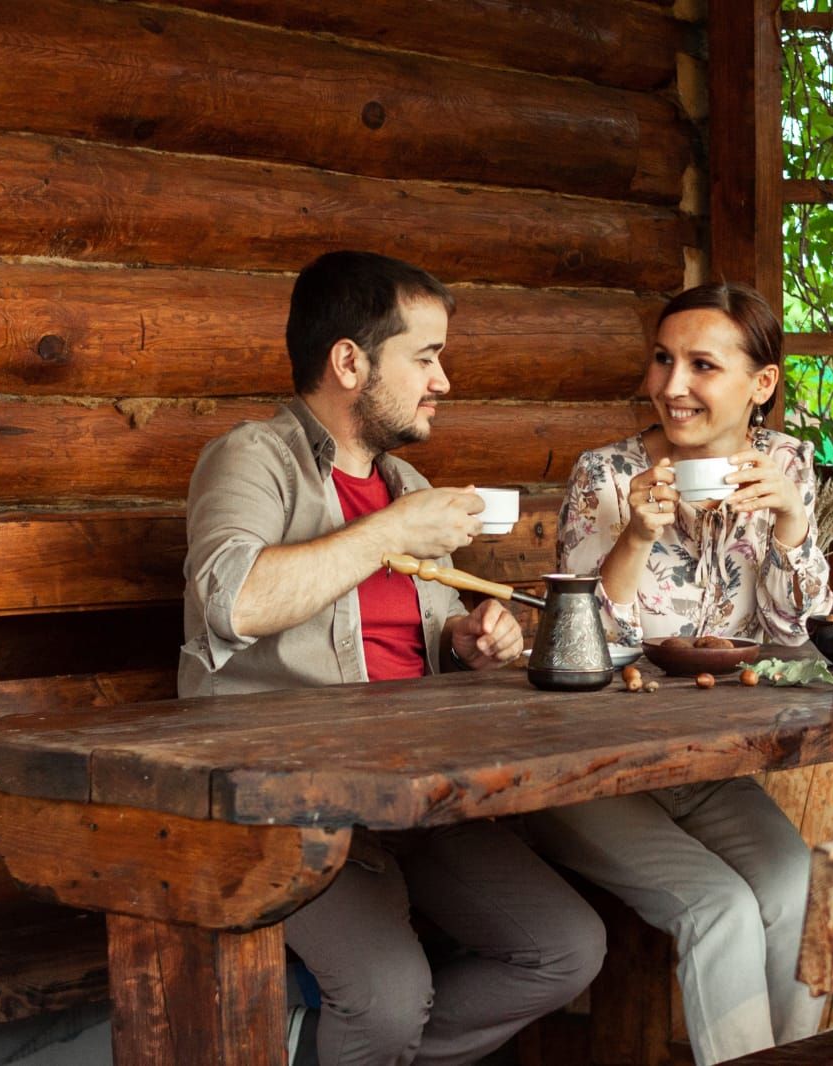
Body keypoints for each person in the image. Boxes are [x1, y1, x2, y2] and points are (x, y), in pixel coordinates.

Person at [179, 250, 605, 1065]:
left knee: (566, 948)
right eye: (427, 356)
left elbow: (435, 626)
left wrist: (472, 641)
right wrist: (387, 534)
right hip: (287, 804)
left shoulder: (404, 480)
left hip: (412, 795)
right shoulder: (251, 458)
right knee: (386, 997)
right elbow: (231, 602)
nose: (442, 380)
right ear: (350, 361)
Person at [526, 282, 832, 1065]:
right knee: (721, 908)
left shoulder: (786, 465)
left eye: (702, 365)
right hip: (588, 769)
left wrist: (794, 524)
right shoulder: (606, 475)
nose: (672, 386)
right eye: (663, 360)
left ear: (761, 385)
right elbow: (579, 653)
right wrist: (632, 537)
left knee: (799, 884)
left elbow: (793, 639)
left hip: (706, 766)